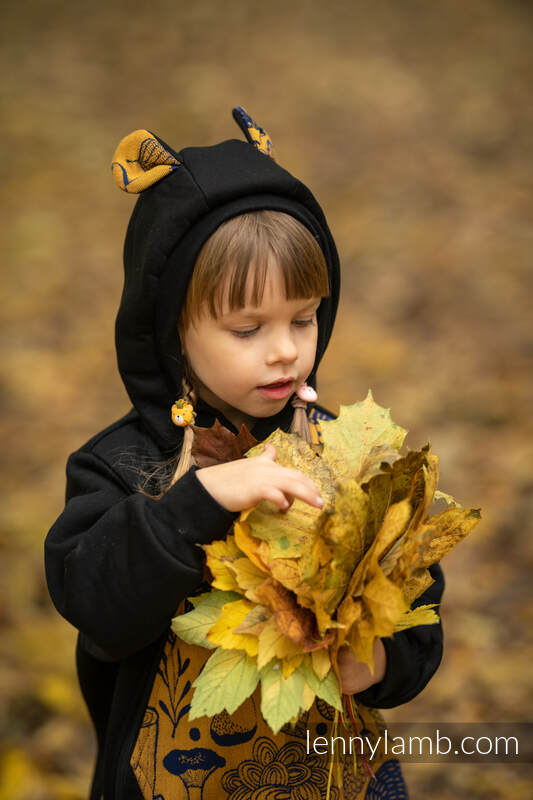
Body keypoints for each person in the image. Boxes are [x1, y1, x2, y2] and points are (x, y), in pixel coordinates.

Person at [45, 107, 444, 800]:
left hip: (333, 774)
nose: (284, 349)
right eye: (246, 328)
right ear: (172, 329)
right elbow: (96, 605)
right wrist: (195, 505)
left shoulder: (340, 452)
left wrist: (381, 661)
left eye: (303, 317)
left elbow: (417, 600)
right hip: (175, 776)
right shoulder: (124, 466)